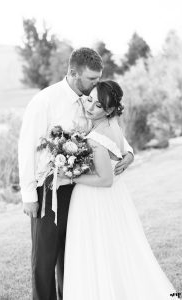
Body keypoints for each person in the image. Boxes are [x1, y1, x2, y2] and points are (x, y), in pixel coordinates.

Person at [18, 48, 134, 300]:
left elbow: (106, 126)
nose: (97, 84)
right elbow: (26, 147)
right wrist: (29, 194)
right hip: (50, 189)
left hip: (82, 190)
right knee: (45, 256)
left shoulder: (91, 99)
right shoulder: (45, 101)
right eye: (92, 79)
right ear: (73, 72)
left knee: (72, 255)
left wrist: (129, 152)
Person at [57, 80, 178, 300]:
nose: (90, 107)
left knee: (97, 249)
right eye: (90, 100)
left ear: (110, 109)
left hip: (95, 199)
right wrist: (129, 155)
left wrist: (72, 177)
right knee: (114, 247)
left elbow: (105, 180)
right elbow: (122, 146)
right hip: (114, 200)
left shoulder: (96, 140)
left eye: (98, 106)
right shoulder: (113, 124)